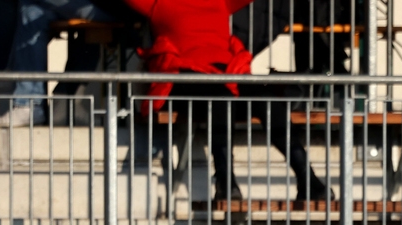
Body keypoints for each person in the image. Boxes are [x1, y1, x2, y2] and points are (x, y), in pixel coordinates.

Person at [128, 0, 334, 201]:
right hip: (184, 76)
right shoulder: (156, 2)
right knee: (220, 95)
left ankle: (308, 180)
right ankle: (225, 182)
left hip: (226, 74)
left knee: (265, 97)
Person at [0, 0, 143, 127]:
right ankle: (30, 103)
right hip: (99, 5)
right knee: (34, 12)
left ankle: (28, 102)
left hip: (115, 7)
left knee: (29, 3)